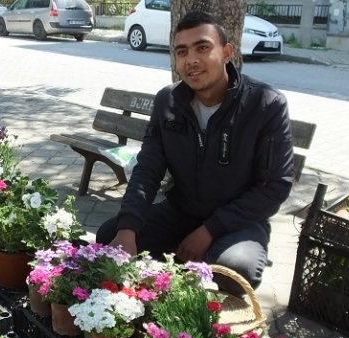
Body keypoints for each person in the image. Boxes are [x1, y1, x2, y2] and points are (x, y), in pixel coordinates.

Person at [96, 10, 294, 296]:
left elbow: (275, 186)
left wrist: (209, 230)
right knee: (110, 236)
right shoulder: (169, 101)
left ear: (227, 52)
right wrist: (128, 226)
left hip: (238, 222)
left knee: (236, 270)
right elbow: (148, 169)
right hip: (182, 211)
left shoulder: (265, 105)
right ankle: (147, 305)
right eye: (182, 51)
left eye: (203, 47)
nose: (191, 60)